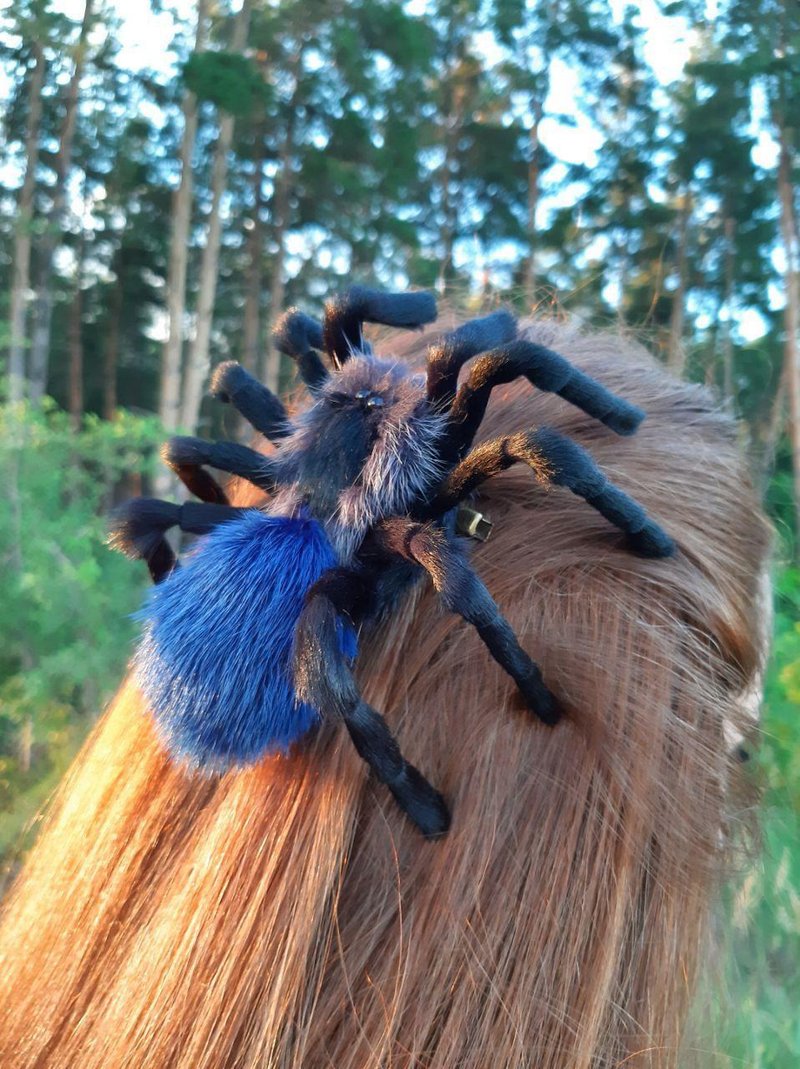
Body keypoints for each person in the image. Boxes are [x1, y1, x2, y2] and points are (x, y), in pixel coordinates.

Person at [0, 316, 771, 1068]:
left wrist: (199, 560)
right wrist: (537, 675)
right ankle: (405, 776)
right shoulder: (416, 521)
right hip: (308, 567)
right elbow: (493, 493)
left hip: (265, 552)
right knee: (458, 531)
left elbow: (188, 452)